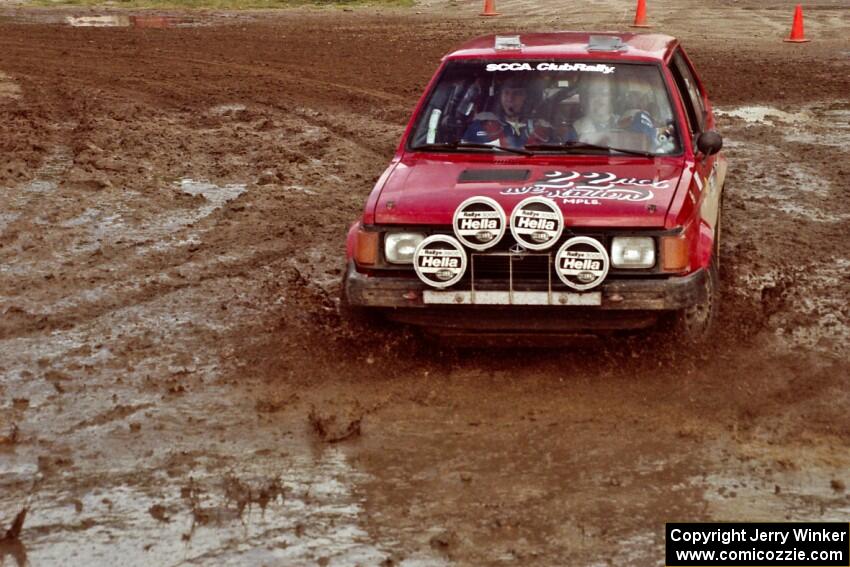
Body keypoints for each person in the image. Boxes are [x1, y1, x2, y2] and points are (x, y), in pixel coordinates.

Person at [568, 74, 657, 151]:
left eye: (604, 93)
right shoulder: (576, 129)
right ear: (586, 99)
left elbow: (650, 147)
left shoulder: (631, 121)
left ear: (612, 98)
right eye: (593, 94)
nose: (599, 99)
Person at [462, 76, 537, 148]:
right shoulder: (481, 125)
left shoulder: (538, 126)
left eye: (516, 93)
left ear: (526, 98)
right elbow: (462, 153)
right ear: (500, 96)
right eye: (506, 93)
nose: (510, 99)